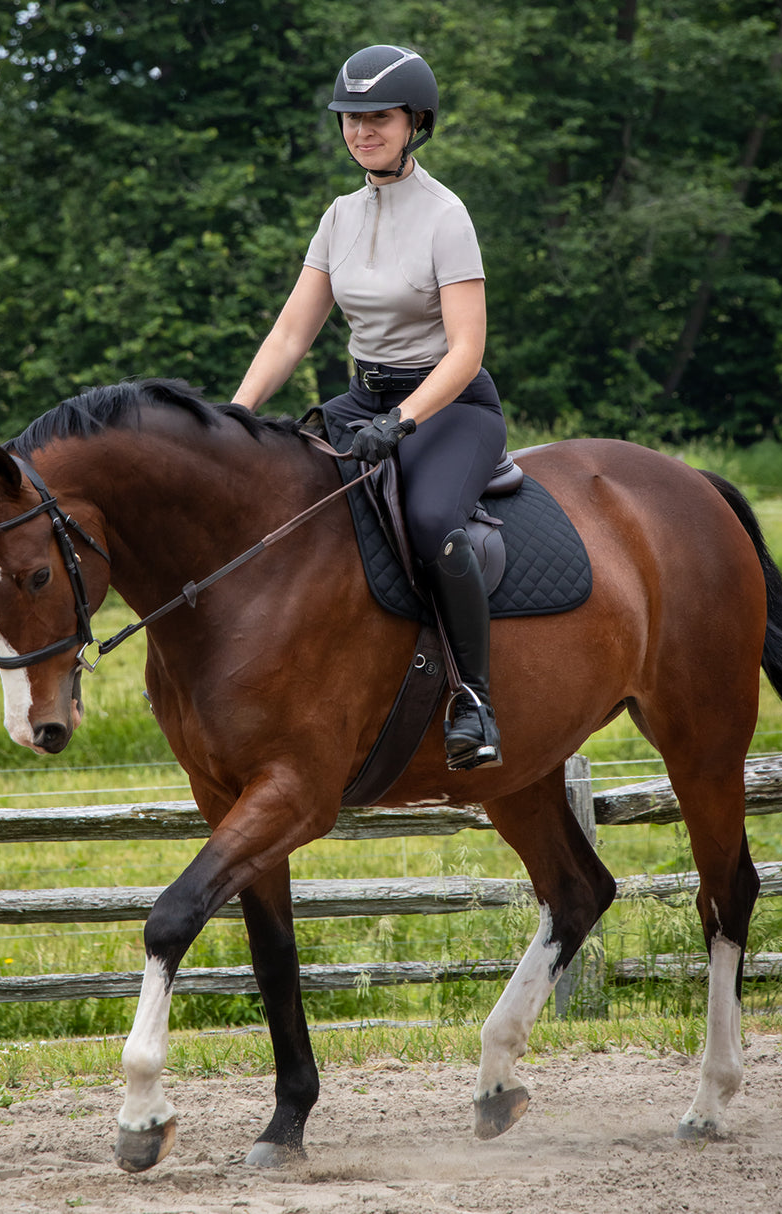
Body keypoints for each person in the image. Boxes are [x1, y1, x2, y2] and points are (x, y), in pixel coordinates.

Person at [232, 44, 506, 771]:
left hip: (449, 407)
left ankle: (473, 700)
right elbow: (292, 332)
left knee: (428, 520)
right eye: (350, 119)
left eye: (377, 117)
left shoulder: (447, 217)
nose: (361, 131)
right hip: (364, 400)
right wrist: (235, 414)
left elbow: (466, 351)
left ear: (415, 122)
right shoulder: (338, 216)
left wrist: (403, 421)